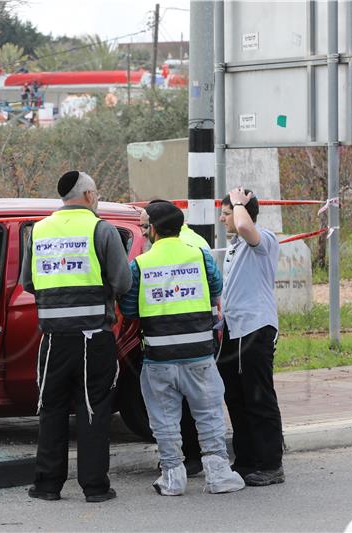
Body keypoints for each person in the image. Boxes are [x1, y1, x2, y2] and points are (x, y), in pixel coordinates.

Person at [21, 171, 132, 503]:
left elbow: (28, 282)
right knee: (94, 409)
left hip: (53, 338)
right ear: (88, 195)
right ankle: (95, 487)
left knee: (51, 409)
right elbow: (123, 281)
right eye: (95, 193)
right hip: (93, 335)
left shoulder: (39, 231)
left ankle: (47, 485)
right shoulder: (101, 229)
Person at [121, 201, 244, 496]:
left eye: (144, 226)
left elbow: (128, 307)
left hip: (158, 358)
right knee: (209, 415)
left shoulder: (141, 263)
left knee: (164, 420)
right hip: (199, 354)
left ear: (153, 230)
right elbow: (216, 290)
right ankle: (219, 476)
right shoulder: (199, 256)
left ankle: (173, 478)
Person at [218, 187, 285, 486]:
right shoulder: (234, 247)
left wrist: (239, 202)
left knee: (259, 397)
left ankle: (271, 464)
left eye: (227, 212)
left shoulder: (264, 239)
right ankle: (245, 460)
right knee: (236, 397)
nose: (223, 218)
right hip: (233, 330)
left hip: (256, 329)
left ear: (243, 212)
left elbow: (246, 225)